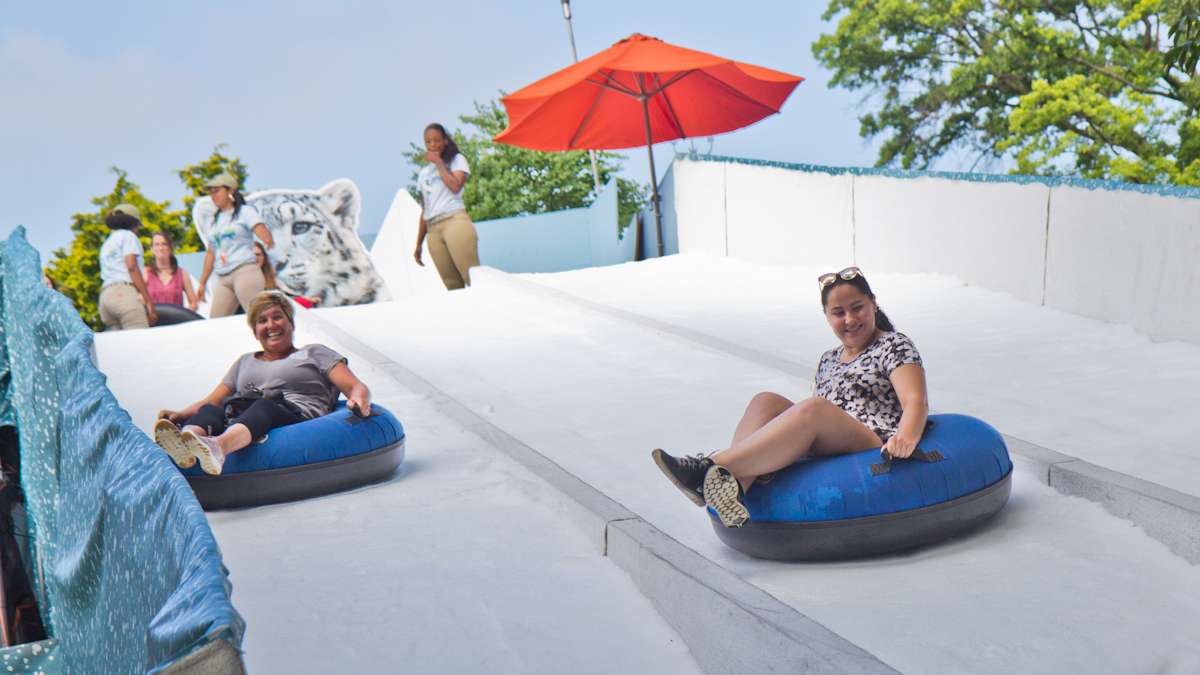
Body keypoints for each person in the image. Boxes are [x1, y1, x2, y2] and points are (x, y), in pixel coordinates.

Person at [651, 267, 929, 528]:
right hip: (830, 437)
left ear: (873, 304)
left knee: (816, 408)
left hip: (871, 439)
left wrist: (906, 437)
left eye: (857, 308)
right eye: (838, 312)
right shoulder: (829, 359)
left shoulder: (893, 344)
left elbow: (915, 400)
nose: (850, 320)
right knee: (765, 400)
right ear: (827, 317)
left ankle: (708, 467)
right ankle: (734, 488)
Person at [154, 290, 371, 475]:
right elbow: (212, 400)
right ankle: (187, 443)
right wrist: (181, 415)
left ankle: (219, 447)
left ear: (291, 323)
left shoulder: (314, 353)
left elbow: (354, 386)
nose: (271, 325)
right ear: (255, 331)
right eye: (262, 321)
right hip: (243, 417)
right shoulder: (244, 361)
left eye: (277, 317)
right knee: (212, 410)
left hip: (294, 415)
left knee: (265, 405)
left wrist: (359, 399)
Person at [195, 173, 275, 317]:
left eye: (217, 191)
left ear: (230, 190)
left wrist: (266, 237)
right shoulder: (213, 220)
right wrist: (202, 283)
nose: (213, 195)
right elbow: (211, 253)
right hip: (222, 277)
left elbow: (263, 232)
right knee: (215, 324)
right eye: (211, 192)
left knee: (258, 318)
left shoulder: (245, 212)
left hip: (244, 271)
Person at [412, 122, 480, 290]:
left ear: (445, 141)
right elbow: (425, 210)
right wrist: (418, 244)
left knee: (473, 279)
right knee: (452, 286)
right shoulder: (423, 174)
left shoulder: (457, 160)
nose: (432, 145)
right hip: (433, 230)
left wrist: (439, 163)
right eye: (428, 141)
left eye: (436, 140)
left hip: (454, 221)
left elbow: (455, 187)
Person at [97, 204, 158, 330]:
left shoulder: (107, 243)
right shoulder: (128, 236)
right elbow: (132, 267)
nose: (138, 230)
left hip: (105, 298)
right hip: (123, 295)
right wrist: (148, 301)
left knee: (120, 347)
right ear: (133, 223)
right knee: (140, 343)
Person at [253, 241, 321, 309]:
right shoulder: (243, 280)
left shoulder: (271, 280)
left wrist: (307, 301)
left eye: (258, 254)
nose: (255, 258)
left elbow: (285, 300)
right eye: (252, 255)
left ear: (264, 257)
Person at [143, 231, 199, 311]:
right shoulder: (145, 273)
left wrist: (183, 316)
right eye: (157, 244)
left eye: (164, 244)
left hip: (176, 321)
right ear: (152, 249)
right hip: (153, 321)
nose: (161, 248)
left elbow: (194, 303)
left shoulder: (182, 273)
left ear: (170, 248)